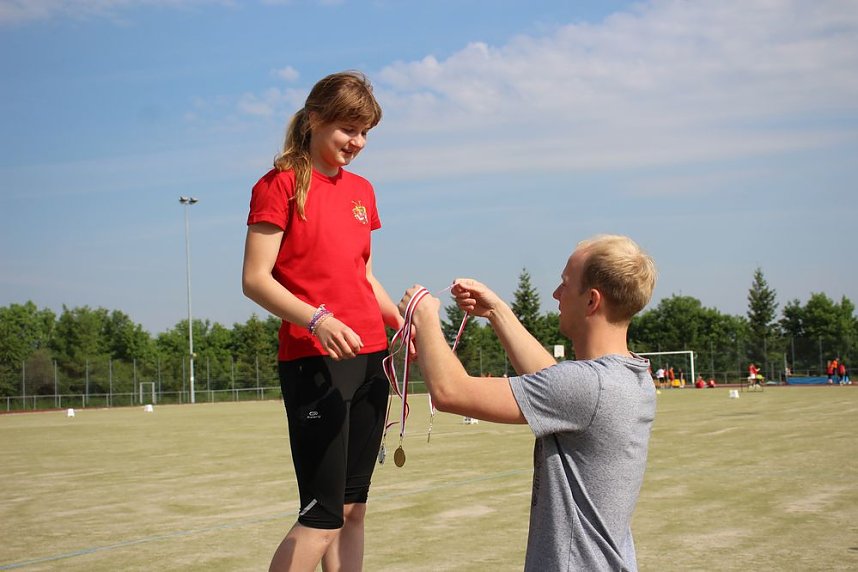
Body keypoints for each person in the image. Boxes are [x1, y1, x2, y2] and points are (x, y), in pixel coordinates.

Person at [398, 234, 657, 571]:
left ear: (592, 301)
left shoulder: (587, 386)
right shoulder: (628, 376)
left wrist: (424, 316)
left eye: (565, 284)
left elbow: (451, 392)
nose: (556, 295)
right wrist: (496, 311)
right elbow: (553, 382)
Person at [242, 71, 404, 572]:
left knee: (353, 510)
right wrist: (316, 320)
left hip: (372, 357)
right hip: (315, 359)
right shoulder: (279, 185)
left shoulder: (363, 190)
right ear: (314, 119)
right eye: (347, 129)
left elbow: (363, 276)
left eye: (364, 133)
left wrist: (401, 323)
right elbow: (255, 279)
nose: (356, 143)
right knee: (321, 515)